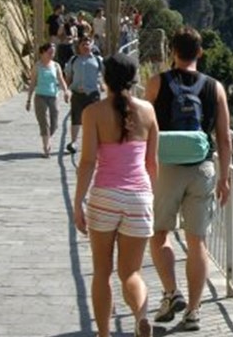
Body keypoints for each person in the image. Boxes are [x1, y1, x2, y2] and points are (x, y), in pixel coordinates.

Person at [144, 27, 232, 331]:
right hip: (202, 169)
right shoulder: (215, 88)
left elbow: (145, 129)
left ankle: (171, 293)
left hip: (165, 168)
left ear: (172, 51)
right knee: (198, 243)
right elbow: (224, 138)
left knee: (160, 234)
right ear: (200, 52)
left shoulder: (156, 83)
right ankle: (193, 312)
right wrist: (225, 178)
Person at [73, 53, 159, 337]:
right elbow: (151, 164)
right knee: (131, 273)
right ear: (134, 79)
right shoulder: (147, 111)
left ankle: (103, 335)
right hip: (139, 197)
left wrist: (77, 204)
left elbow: (87, 162)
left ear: (105, 78)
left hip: (105, 197)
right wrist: (152, 201)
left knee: (102, 272)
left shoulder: (93, 113)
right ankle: (141, 316)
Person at [25, 42, 70, 157]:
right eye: (50, 52)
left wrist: (65, 91)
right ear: (43, 53)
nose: (52, 54)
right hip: (40, 96)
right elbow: (33, 83)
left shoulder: (56, 66)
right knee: (44, 123)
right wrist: (29, 99)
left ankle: (47, 138)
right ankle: (46, 147)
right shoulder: (37, 66)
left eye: (53, 52)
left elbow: (61, 80)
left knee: (54, 124)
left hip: (53, 96)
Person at [65, 35, 104, 154]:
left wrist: (103, 85)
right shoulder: (73, 60)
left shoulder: (98, 60)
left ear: (92, 45)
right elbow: (68, 76)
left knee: (94, 119)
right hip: (77, 93)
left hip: (93, 94)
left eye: (88, 44)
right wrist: (66, 91)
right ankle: (73, 142)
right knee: (76, 119)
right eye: (83, 44)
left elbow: (105, 74)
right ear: (79, 46)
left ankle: (95, 143)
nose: (86, 46)